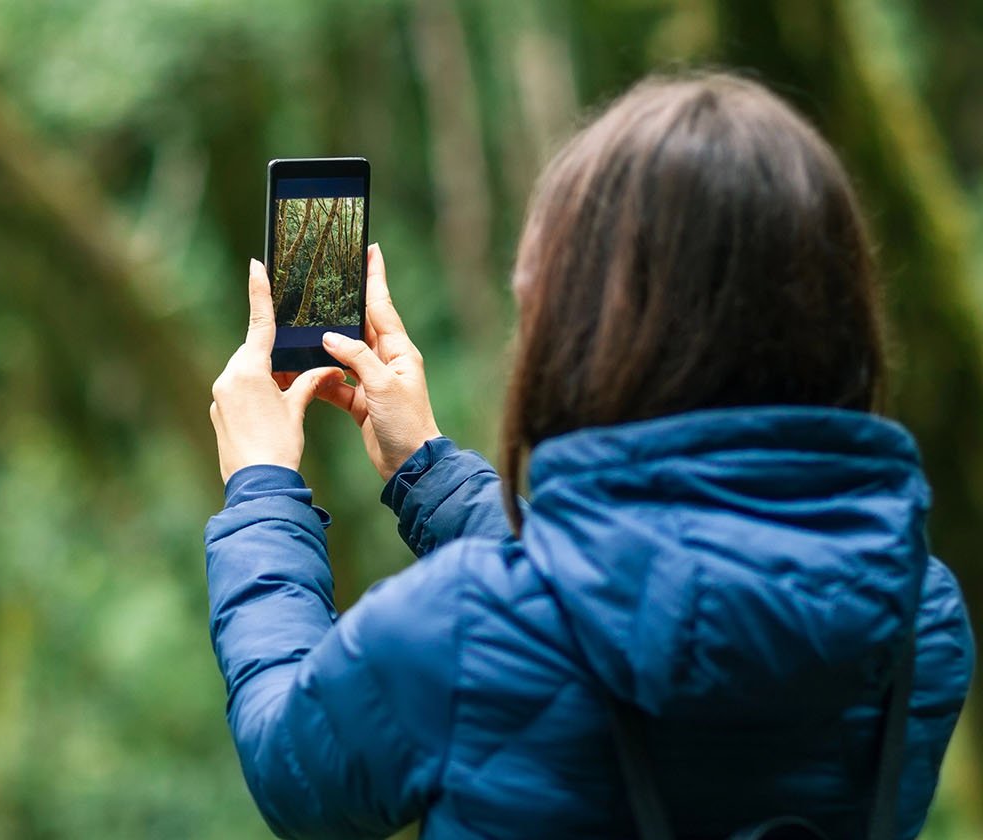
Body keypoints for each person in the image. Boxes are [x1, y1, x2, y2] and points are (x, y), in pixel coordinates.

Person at [204, 73, 973, 838]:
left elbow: (291, 767)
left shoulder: (461, 629)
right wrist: (428, 469)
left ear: (590, 328)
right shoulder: (918, 622)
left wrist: (262, 491)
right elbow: (642, 599)